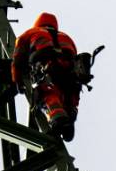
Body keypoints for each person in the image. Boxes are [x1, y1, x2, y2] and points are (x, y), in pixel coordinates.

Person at [11, 12, 84, 141]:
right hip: (69, 72)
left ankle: (58, 118)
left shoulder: (31, 32)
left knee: (47, 94)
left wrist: (17, 79)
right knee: (68, 93)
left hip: (48, 65)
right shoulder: (66, 37)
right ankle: (69, 117)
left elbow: (17, 58)